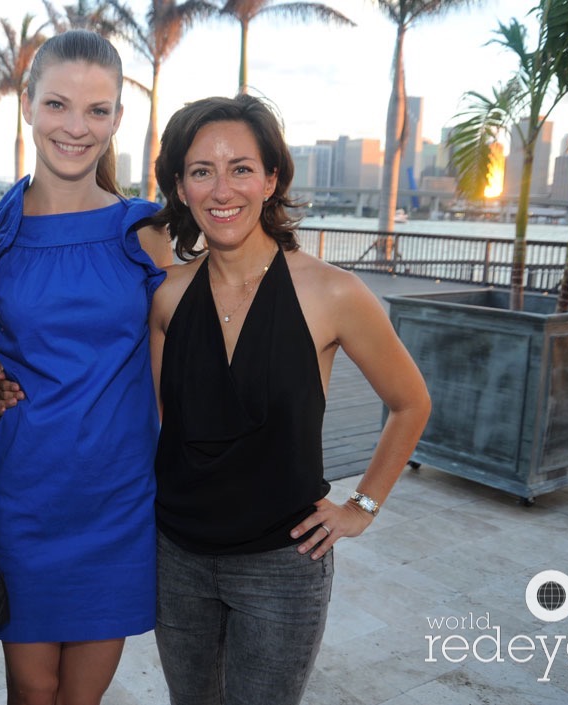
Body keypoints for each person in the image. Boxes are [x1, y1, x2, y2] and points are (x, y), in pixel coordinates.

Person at [146, 93, 431, 705]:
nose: (223, 190)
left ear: (272, 179)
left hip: (282, 563)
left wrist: (362, 505)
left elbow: (410, 403)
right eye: (202, 171)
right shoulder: (165, 295)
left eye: (241, 168)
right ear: (181, 185)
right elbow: (164, 418)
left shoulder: (333, 293)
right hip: (178, 557)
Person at [0, 29, 172, 705]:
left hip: (118, 498)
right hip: (25, 496)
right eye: (57, 104)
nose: (76, 128)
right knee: (30, 686)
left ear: (117, 118)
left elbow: (175, 378)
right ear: (27, 105)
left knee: (82, 696)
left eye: (98, 110)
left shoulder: (145, 232)